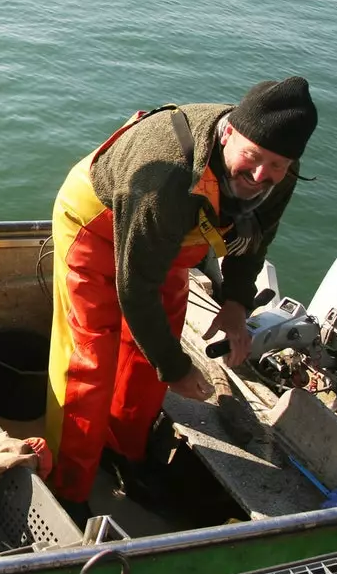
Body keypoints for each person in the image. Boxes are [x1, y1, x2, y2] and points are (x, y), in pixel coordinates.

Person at [45, 77, 318, 509]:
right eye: (253, 157)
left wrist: (235, 304)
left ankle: (124, 452)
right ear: (227, 132)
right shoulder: (166, 168)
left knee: (152, 347)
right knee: (90, 356)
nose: (261, 175)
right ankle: (68, 485)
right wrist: (175, 370)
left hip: (168, 239)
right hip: (98, 223)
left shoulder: (277, 173)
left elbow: (256, 239)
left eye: (278, 166)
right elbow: (136, 289)